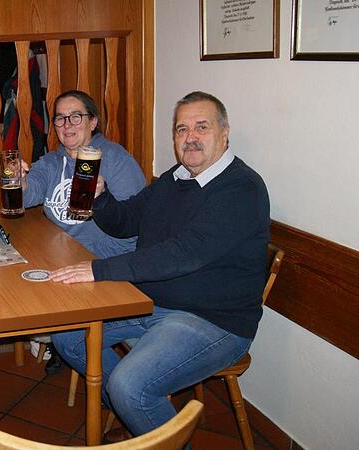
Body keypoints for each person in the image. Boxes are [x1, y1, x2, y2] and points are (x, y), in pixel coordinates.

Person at [49, 91, 270, 443]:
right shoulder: (175, 178)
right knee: (68, 334)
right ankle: (137, 418)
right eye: (182, 129)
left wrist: (100, 269)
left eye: (202, 127)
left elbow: (183, 254)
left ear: (224, 133)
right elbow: (127, 221)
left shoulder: (241, 189)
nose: (190, 137)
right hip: (153, 303)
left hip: (214, 321)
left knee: (130, 386)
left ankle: (139, 413)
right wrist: (100, 197)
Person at [21, 90, 145, 370]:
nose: (67, 125)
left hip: (105, 266)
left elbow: (135, 224)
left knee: (33, 299)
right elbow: (29, 195)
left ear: (93, 122)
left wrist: (103, 198)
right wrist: (20, 179)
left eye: (76, 116)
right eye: (60, 118)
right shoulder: (52, 162)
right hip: (63, 260)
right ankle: (59, 336)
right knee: (17, 284)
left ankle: (119, 384)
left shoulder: (114, 159)